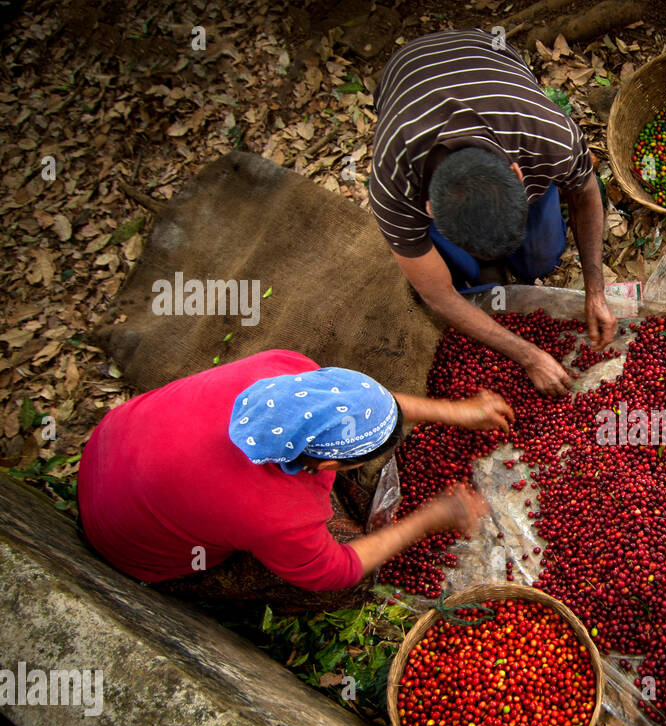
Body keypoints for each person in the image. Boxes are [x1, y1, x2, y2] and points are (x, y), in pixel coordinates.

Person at [77, 349, 510, 602]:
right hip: (129, 543)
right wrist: (431, 518)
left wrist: (458, 412)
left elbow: (359, 402)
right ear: (325, 467)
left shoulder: (280, 370)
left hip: (112, 445)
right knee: (346, 587)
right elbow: (335, 571)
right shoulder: (276, 513)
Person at [370, 28, 614, 397]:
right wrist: (527, 355)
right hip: (405, 74)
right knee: (460, 274)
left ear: (518, 173)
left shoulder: (547, 135)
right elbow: (438, 295)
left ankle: (516, 258)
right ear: (431, 210)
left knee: (542, 256)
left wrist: (595, 291)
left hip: (486, 52)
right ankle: (482, 265)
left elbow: (585, 193)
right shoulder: (393, 187)